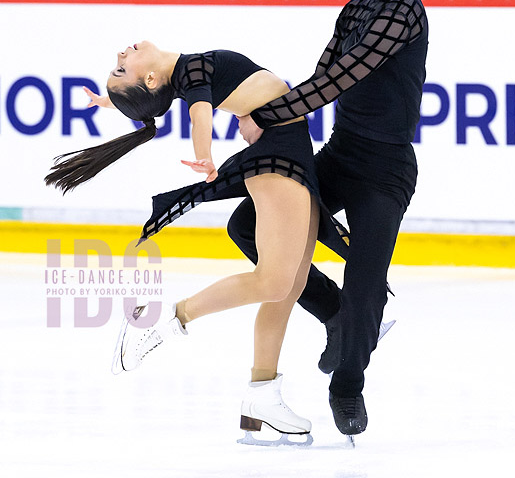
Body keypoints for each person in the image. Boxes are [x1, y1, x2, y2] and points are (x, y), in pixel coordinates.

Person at [45, 43, 348, 445]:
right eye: (121, 67)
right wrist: (204, 155)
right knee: (275, 282)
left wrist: (111, 100)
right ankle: (168, 318)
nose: (122, 53)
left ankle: (262, 397)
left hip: (290, 148)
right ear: (150, 78)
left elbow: (169, 100)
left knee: (288, 286)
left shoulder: (183, 74)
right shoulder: (192, 72)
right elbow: (198, 113)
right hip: (277, 155)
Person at [232, 0, 443, 439]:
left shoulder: (404, 15)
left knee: (368, 281)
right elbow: (321, 73)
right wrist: (270, 119)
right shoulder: (354, 9)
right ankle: (332, 311)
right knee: (247, 225)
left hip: (386, 169)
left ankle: (347, 384)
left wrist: (261, 114)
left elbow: (336, 83)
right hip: (342, 154)